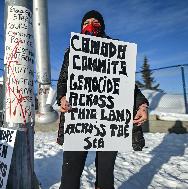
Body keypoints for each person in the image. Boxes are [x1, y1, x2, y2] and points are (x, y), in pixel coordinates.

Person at [56, 10, 149, 189]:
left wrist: (142, 105)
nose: (90, 25)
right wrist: (61, 97)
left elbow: (129, 86)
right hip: (78, 119)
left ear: (103, 26)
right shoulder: (72, 52)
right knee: (70, 173)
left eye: (95, 22)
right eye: (86, 22)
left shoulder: (115, 51)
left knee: (106, 175)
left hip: (108, 123)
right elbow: (62, 81)